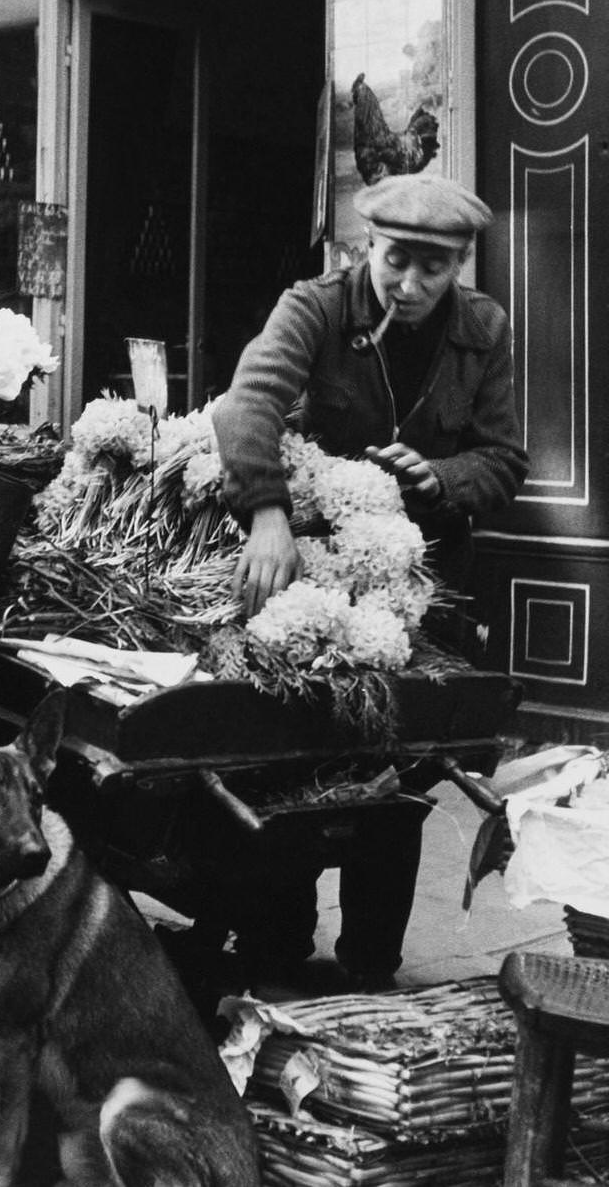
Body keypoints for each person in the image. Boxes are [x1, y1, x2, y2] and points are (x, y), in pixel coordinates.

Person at [211, 173, 528, 991]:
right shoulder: (316, 306)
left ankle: (371, 963)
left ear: (462, 262)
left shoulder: (484, 329)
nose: (411, 286)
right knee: (294, 756)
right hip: (315, 575)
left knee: (400, 772)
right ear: (368, 248)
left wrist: (441, 476)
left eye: (435, 268)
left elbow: (503, 461)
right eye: (397, 262)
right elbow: (244, 407)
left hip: (422, 590)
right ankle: (276, 944)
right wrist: (268, 514)